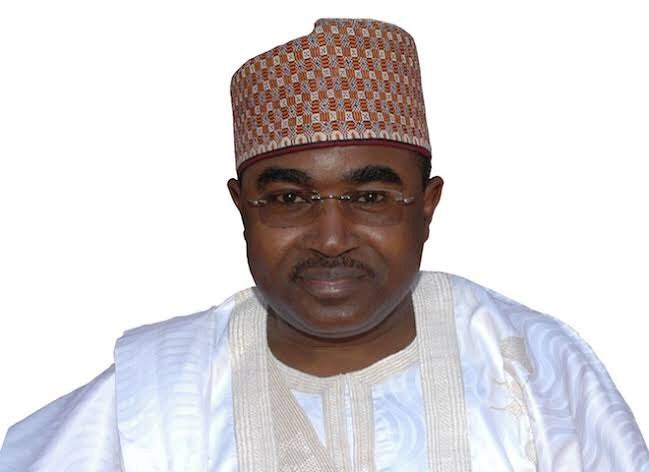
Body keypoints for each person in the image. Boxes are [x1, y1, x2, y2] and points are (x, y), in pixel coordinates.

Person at [1, 17, 647, 472]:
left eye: (370, 198)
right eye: (288, 199)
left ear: (426, 207)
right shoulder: (152, 395)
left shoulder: (530, 368)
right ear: (241, 209)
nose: (331, 238)